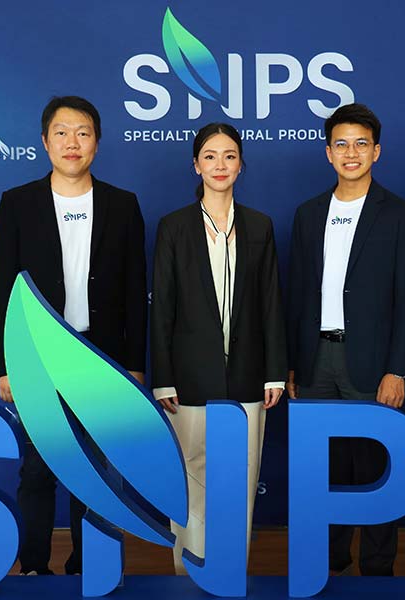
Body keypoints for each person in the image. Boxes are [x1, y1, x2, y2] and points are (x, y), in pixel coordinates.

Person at [0, 95, 148, 575]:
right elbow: (3, 290)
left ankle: (86, 567)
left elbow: (136, 289)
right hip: (37, 355)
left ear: (97, 142)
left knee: (95, 470)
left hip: (102, 356)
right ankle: (34, 566)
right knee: (38, 468)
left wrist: (134, 364)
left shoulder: (123, 204)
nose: (72, 142)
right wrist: (6, 364)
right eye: (61, 132)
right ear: (45, 142)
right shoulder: (17, 203)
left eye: (82, 132)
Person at [285, 103, 405, 577]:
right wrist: (292, 363)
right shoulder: (307, 214)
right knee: (323, 471)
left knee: (374, 468)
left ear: (376, 151)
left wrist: (397, 369)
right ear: (328, 153)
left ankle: (378, 570)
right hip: (316, 360)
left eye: (361, 144)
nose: (351, 153)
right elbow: (297, 294)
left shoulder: (398, 213)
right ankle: (328, 563)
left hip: (371, 361)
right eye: (341, 144)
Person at [149, 122, 286, 575]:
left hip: (248, 375)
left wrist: (274, 370)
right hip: (187, 378)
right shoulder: (173, 227)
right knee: (189, 478)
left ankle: (230, 571)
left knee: (241, 479)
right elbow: (162, 309)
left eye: (229, 156)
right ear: (196, 165)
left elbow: (271, 302)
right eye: (210, 156)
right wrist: (163, 378)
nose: (220, 165)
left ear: (241, 164)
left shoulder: (260, 226)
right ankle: (187, 571)